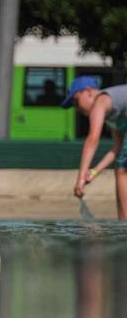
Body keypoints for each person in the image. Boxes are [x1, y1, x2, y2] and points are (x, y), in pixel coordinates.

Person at [64, 75, 127, 220]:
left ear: (88, 92)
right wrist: (93, 172)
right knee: (122, 165)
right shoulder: (114, 114)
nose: (76, 108)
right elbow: (116, 149)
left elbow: (92, 139)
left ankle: (124, 226)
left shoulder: (101, 100)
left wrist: (80, 178)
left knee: (122, 170)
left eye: (76, 101)